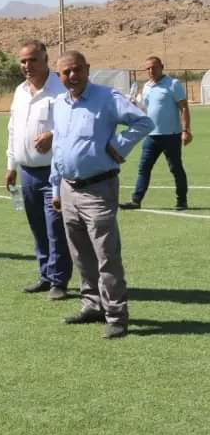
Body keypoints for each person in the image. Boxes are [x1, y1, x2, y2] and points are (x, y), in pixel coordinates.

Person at [50, 51, 153, 340]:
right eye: (66, 72)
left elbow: (143, 122)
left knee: (106, 254)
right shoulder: (59, 104)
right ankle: (92, 305)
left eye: (77, 70)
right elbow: (58, 146)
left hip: (98, 188)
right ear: (59, 76)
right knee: (80, 253)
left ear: (87, 69)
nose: (72, 76)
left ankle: (116, 315)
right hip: (68, 188)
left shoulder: (107, 97)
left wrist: (119, 145)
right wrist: (56, 186)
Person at [4, 40, 72, 300]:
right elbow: (13, 130)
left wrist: (53, 135)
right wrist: (11, 165)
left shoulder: (60, 90)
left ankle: (59, 280)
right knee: (37, 228)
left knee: (56, 228)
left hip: (54, 173)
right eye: (23, 61)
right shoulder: (20, 91)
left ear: (45, 60)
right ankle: (45, 275)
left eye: (32, 60)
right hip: (27, 172)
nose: (27, 65)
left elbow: (73, 122)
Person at [120, 55, 193, 211]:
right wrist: (133, 105)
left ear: (162, 67)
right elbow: (144, 110)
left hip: (171, 136)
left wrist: (186, 130)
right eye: (148, 68)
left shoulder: (173, 84)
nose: (151, 70)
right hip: (151, 136)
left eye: (154, 67)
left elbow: (184, 108)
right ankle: (136, 201)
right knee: (143, 168)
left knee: (176, 169)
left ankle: (182, 201)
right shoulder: (146, 87)